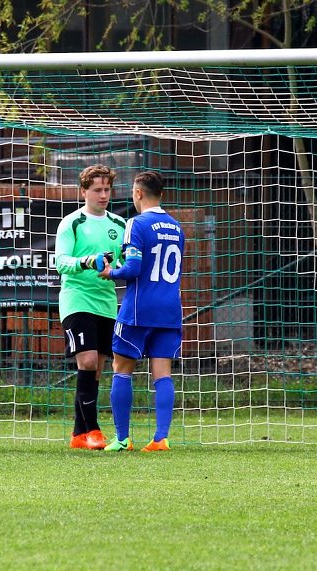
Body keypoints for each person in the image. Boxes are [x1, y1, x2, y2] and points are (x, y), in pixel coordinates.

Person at [98, 171, 185, 452]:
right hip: (170, 309)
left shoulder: (136, 223)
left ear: (137, 193)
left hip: (139, 308)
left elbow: (133, 269)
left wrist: (112, 272)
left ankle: (123, 439)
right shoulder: (176, 227)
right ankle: (161, 438)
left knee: (121, 369)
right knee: (162, 374)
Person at [54, 164, 126, 450]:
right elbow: (61, 262)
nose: (103, 195)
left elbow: (122, 263)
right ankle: (94, 430)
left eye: (107, 189)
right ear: (84, 191)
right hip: (76, 299)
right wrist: (86, 261)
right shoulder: (71, 223)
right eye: (97, 189)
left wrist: (115, 267)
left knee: (96, 369)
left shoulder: (119, 225)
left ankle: (78, 434)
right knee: (86, 361)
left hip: (106, 303)